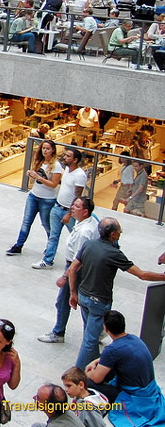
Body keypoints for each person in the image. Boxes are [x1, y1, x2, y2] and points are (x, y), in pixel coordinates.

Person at [67, 218, 165, 369]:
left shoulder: (89, 244)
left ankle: (95, 366)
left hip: (83, 297)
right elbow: (142, 275)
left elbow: (72, 269)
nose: (121, 232)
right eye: (119, 230)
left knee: (89, 334)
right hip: (98, 301)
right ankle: (78, 374)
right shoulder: (114, 253)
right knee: (90, 340)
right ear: (113, 234)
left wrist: (73, 293)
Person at [85, 310, 165, 427]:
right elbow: (112, 356)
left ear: (106, 329)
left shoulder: (112, 350)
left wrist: (88, 371)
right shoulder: (135, 339)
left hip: (133, 395)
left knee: (87, 381)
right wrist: (96, 361)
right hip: (148, 388)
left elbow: (96, 378)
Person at [36, 197, 100, 345]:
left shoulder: (84, 232)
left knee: (64, 302)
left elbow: (78, 262)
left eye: (77, 206)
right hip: (79, 268)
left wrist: (65, 277)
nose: (72, 208)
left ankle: (59, 332)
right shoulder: (87, 222)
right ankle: (98, 331)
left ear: (85, 211)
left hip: (75, 269)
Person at [34, 147, 87, 269]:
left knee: (75, 237)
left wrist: (69, 213)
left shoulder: (79, 175)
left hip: (69, 211)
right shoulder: (67, 169)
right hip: (57, 207)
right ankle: (47, 260)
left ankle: (79, 262)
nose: (65, 158)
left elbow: (77, 196)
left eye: (68, 156)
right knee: (53, 235)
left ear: (75, 160)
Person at [7, 139, 60, 255]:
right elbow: (36, 176)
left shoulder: (56, 166)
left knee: (46, 224)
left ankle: (51, 247)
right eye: (43, 148)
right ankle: (18, 245)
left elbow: (54, 184)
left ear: (53, 150)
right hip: (34, 195)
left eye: (47, 149)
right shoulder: (40, 161)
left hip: (47, 199)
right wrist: (31, 173)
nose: (45, 151)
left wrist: (38, 177)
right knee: (26, 221)